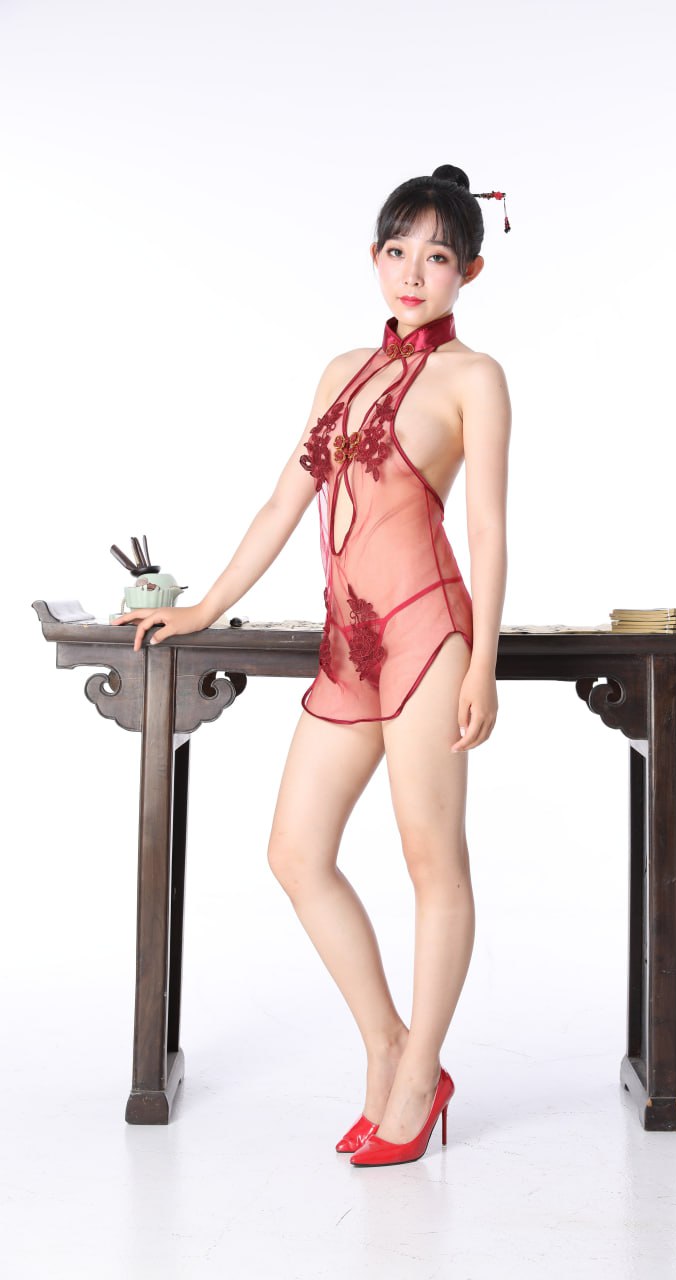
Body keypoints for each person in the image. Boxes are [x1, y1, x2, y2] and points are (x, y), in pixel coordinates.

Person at [112, 163, 512, 1167]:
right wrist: (201, 607)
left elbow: (488, 529)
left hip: (427, 635)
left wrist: (482, 666)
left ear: (467, 270)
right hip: (348, 642)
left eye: (435, 257)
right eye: (397, 251)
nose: (412, 272)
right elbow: (282, 504)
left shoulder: (474, 378)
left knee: (432, 859)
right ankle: (386, 1041)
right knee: (295, 851)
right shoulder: (341, 371)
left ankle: (418, 1075)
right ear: (374, 257)